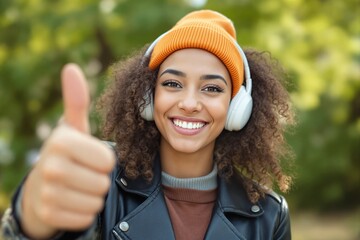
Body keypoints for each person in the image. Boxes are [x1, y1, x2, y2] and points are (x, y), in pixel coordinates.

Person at [1, 9, 295, 240]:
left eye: (212, 89)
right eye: (172, 83)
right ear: (147, 97)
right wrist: (33, 219)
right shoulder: (97, 176)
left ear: (236, 108)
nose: (190, 103)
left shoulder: (269, 215)